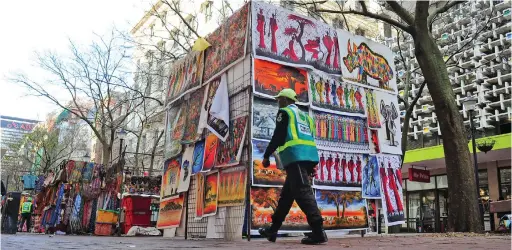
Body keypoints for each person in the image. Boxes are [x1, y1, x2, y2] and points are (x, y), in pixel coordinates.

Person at [258, 88, 328, 245]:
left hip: (295, 157)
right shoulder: (305, 116)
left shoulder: (285, 113)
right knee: (287, 196)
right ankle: (273, 230)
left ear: (285, 100)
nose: (278, 102)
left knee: (303, 192)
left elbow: (278, 135)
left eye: (279, 99)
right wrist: (312, 165)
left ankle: (318, 231)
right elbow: (309, 138)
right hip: (307, 157)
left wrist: (266, 155)